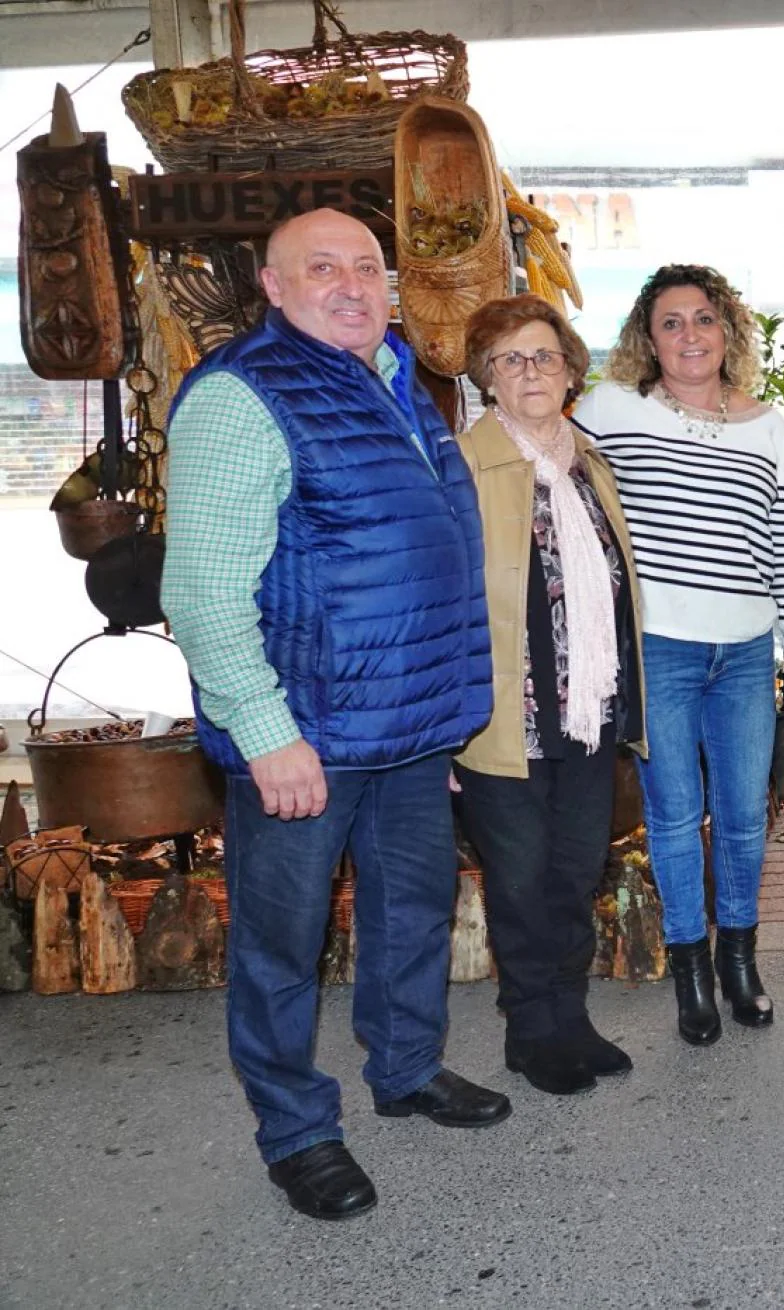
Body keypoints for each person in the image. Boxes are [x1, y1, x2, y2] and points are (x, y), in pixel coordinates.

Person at [160, 208, 504, 1223]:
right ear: (273, 286)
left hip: (404, 729)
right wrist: (265, 732)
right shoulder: (241, 395)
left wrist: (434, 721)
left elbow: (412, 563)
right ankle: (297, 1130)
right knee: (282, 941)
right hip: (302, 735)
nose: (355, 285)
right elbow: (204, 590)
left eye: (369, 266)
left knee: (411, 911)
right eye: (324, 268)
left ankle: (405, 1067)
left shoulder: (395, 376)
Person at [574, 264, 784, 1047]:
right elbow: (545, 455)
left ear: (728, 332)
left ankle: (739, 959)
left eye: (703, 319)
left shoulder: (768, 426)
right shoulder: (613, 410)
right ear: (648, 337)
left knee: (746, 815)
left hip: (746, 650)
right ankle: (691, 973)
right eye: (671, 322)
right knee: (676, 818)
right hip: (659, 650)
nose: (689, 335)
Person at [452, 296, 646, 1097]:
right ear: (486, 379)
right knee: (522, 879)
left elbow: (617, 586)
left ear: (570, 370)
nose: (530, 372)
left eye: (544, 356)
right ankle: (531, 1031)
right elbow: (441, 601)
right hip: (504, 721)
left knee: (574, 871)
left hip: (586, 713)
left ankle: (571, 1016)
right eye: (510, 359)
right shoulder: (461, 467)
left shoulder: (588, 462)